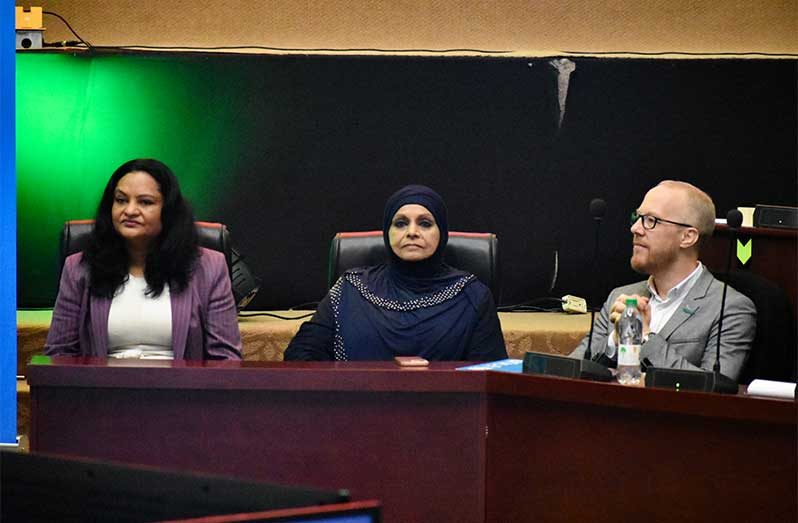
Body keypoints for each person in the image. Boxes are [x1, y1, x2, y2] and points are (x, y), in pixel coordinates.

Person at [44, 158, 242, 360]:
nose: (129, 211)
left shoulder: (210, 267)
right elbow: (59, 354)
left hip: (180, 380)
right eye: (121, 200)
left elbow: (225, 360)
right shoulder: (79, 268)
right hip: (104, 380)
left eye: (145, 202)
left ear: (168, 210)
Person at [284, 185, 507, 361]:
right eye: (400, 223)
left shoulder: (474, 296)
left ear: (442, 232)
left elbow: (489, 378)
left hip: (445, 406)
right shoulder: (350, 289)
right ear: (386, 232)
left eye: (425, 223)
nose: (412, 232)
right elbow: (301, 356)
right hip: (357, 404)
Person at [570, 180, 756, 381]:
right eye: (637, 218)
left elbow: (715, 386)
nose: (635, 228)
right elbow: (571, 372)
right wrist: (614, 341)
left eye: (651, 220)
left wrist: (644, 338)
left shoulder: (730, 308)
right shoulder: (621, 297)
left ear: (687, 237)